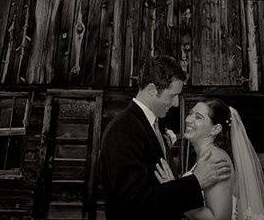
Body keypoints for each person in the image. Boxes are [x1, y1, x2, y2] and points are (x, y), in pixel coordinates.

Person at [98, 55, 232, 220]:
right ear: (152, 89)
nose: (176, 103)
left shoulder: (151, 124)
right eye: (172, 95)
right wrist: (195, 182)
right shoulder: (124, 130)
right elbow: (133, 204)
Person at [154, 99, 264, 220]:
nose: (188, 120)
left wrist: (175, 193)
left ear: (215, 129)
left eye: (198, 117)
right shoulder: (204, 157)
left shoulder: (216, 159)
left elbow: (218, 218)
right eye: (190, 113)